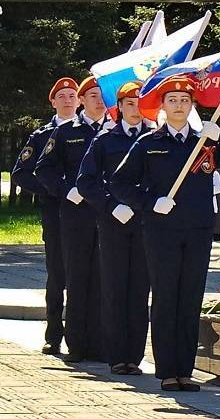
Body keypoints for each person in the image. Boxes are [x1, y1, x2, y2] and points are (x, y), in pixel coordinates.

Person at [111, 75, 220, 391]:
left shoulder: (205, 141)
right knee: (167, 298)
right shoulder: (149, 144)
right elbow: (120, 184)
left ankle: (185, 371)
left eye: (184, 100)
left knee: (191, 299)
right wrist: (151, 202)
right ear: (163, 106)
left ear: (192, 105)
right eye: (172, 100)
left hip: (197, 230)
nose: (178, 106)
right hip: (161, 231)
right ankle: (167, 371)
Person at [76, 81, 153, 375]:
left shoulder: (153, 139)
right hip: (113, 222)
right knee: (115, 287)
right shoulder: (105, 140)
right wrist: (110, 205)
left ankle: (134, 355)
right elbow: (87, 182)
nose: (135, 109)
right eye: (129, 103)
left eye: (139, 103)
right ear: (119, 107)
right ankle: (117, 356)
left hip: (146, 221)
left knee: (139, 289)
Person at [33, 75, 110, 362]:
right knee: (76, 277)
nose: (98, 101)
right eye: (91, 96)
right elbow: (43, 169)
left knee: (102, 279)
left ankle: (100, 343)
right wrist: (67, 191)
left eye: (102, 96)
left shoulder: (114, 132)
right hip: (75, 215)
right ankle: (76, 344)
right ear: (82, 101)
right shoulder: (66, 132)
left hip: (106, 215)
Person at [9, 76, 77, 355]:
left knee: (83, 275)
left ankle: (80, 333)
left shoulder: (93, 131)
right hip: (56, 211)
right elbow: (20, 173)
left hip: (87, 212)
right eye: (61, 96)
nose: (68, 100)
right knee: (57, 274)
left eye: (72, 95)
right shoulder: (41, 136)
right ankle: (54, 333)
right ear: (52, 102)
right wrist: (52, 189)